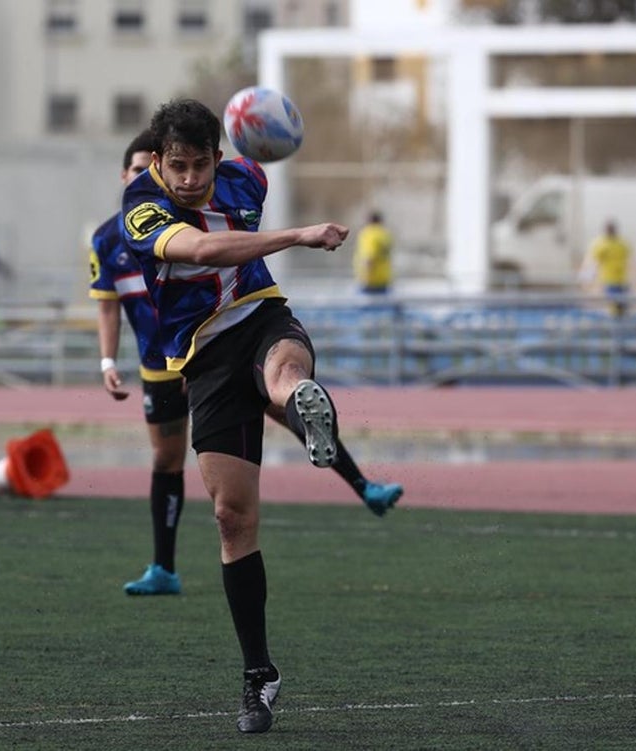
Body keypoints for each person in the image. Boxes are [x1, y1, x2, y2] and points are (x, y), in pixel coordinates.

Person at [120, 98, 402, 734]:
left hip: (265, 315)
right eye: (178, 166)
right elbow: (204, 249)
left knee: (284, 373)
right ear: (160, 163)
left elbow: (255, 155)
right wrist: (296, 235)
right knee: (230, 517)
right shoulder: (141, 205)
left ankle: (300, 397)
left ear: (221, 157)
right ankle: (260, 674)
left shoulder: (248, 175)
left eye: (201, 165)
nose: (190, 178)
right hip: (202, 354)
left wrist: (265, 119)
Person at [93, 130, 402, 598]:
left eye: (200, 165)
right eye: (142, 169)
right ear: (137, 172)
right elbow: (114, 302)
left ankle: (361, 483)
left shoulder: (228, 185)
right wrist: (107, 361)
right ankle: (163, 565)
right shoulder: (124, 227)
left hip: (239, 332)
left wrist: (257, 139)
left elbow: (235, 182)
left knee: (291, 399)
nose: (184, 177)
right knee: (171, 461)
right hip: (169, 361)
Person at [580, 219, 632, 316]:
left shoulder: (622, 243)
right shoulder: (601, 244)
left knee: (623, 306)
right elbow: (592, 262)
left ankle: (621, 322)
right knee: (613, 306)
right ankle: (614, 324)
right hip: (609, 280)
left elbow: (631, 259)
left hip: (622, 280)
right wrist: (587, 277)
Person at [352, 210, 394, 295]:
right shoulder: (385, 234)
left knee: (365, 305)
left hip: (370, 281)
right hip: (384, 278)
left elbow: (369, 257)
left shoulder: (369, 234)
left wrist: (366, 278)